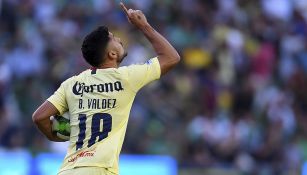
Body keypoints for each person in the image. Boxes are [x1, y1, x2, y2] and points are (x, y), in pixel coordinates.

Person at [32, 2, 180, 175]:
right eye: (114, 39)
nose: (120, 39)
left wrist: (60, 134)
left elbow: (39, 117)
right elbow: (171, 57)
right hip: (100, 170)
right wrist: (143, 25)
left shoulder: (72, 83)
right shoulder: (126, 78)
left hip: (67, 170)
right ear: (112, 54)